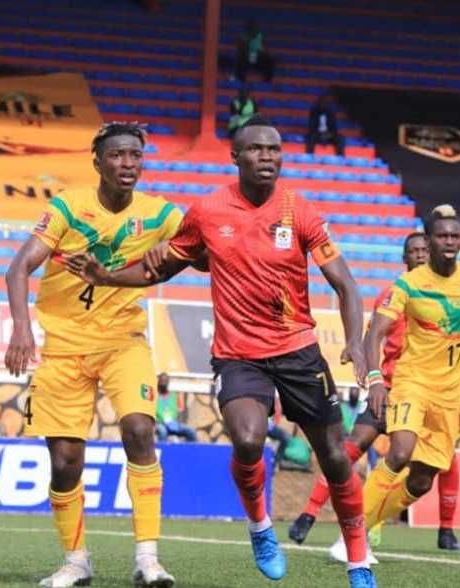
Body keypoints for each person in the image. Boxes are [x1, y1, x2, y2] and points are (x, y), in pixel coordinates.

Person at [68, 115, 377, 588]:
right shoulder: (208, 211)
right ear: (235, 157)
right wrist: (106, 276)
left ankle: (358, 561)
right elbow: (160, 268)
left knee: (335, 457)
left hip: (298, 350)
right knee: (249, 440)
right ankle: (260, 528)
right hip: (239, 354)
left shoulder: (301, 211)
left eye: (274, 149)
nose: (266, 157)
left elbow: (347, 285)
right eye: (255, 149)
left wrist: (354, 340)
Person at [4, 122, 185, 588]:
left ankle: (148, 560)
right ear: (98, 162)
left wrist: (173, 250)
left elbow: (199, 248)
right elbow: (18, 268)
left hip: (123, 339)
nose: (128, 163)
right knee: (65, 462)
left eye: (135, 155)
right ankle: (76, 561)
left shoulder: (161, 214)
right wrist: (21, 329)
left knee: (139, 429)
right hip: (63, 347)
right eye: (118, 155)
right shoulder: (67, 208)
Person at [289, 232, 460, 555]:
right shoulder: (393, 293)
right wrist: (372, 378)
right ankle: (309, 515)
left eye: (424, 250)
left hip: (430, 394)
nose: (420, 255)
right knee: (351, 449)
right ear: (405, 258)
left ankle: (446, 530)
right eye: (414, 251)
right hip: (391, 389)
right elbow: (374, 337)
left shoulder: (449, 295)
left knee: (442, 464)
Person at [359, 205, 460, 543]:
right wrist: (375, 380)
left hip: (448, 395)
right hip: (412, 382)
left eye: (455, 236)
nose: (450, 241)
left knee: (422, 481)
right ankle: (352, 532)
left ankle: (366, 525)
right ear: (429, 242)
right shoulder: (408, 285)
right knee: (399, 452)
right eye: (442, 236)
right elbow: (375, 333)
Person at [156, 373, 197, 443]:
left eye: (165, 381)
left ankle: (190, 449)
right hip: (160, 423)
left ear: (168, 383)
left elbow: (179, 409)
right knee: (162, 431)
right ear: (158, 382)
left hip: (173, 423)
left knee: (191, 431)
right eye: (162, 381)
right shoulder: (155, 395)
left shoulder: (173, 395)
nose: (163, 383)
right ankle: (163, 449)